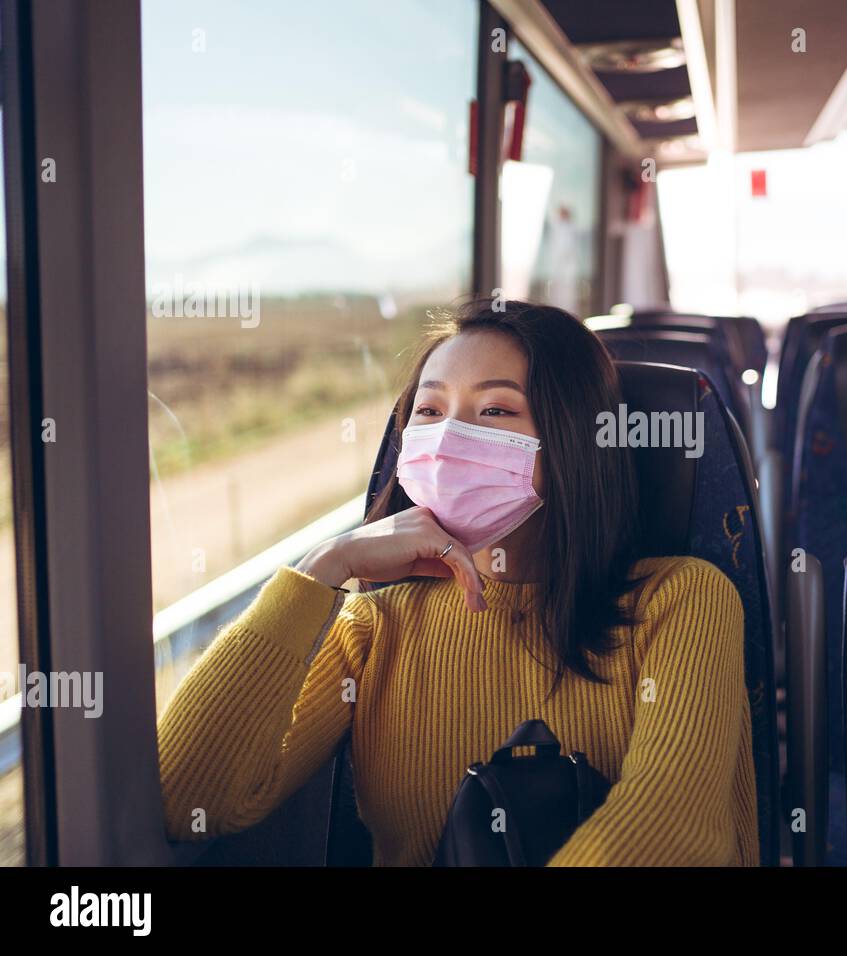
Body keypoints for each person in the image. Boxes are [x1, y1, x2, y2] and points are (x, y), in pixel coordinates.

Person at [156, 298, 759, 866]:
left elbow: (672, 828)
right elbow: (186, 799)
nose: (448, 439)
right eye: (429, 410)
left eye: (495, 410)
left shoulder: (682, 600)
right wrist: (323, 569)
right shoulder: (372, 628)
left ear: (575, 439)